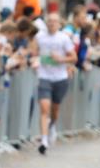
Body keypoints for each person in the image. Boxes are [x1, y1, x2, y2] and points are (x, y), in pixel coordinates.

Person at [31, 11, 76, 154]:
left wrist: (61, 59)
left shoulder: (63, 38)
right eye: (49, 20)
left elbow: (73, 58)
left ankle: (52, 126)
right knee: (44, 108)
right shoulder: (39, 37)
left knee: (55, 110)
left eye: (54, 21)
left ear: (59, 24)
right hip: (44, 76)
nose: (51, 23)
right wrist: (34, 60)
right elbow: (33, 52)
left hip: (60, 78)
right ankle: (44, 140)